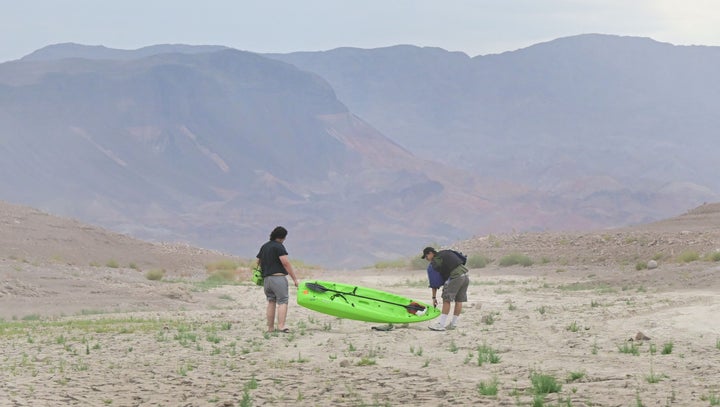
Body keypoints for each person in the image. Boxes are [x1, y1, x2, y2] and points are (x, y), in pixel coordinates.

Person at [256, 226, 299, 333]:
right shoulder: (279, 247)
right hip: (278, 278)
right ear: (282, 237)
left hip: (267, 279)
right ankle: (281, 326)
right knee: (283, 301)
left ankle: (270, 328)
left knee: (271, 301)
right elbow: (285, 263)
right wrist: (295, 279)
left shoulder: (264, 246)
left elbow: (258, 262)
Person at [422, 246, 469, 331]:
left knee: (446, 299)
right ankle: (453, 324)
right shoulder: (445, 252)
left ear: (430, 253)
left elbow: (434, 282)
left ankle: (441, 324)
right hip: (465, 276)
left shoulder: (435, 261)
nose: (427, 259)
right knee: (459, 300)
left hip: (456, 277)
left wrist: (434, 297)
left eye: (426, 256)